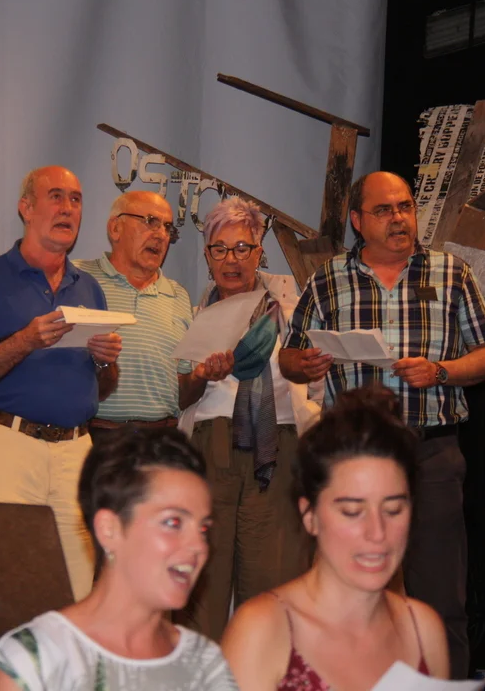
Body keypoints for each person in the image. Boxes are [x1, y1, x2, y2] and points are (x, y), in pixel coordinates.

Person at [279, 171, 485, 678]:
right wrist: (304, 364)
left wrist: (441, 371)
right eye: (384, 210)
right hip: (354, 459)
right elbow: (290, 354)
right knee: (352, 595)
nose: (399, 218)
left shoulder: (451, 273)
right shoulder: (328, 278)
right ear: (357, 221)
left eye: (404, 207)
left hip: (432, 454)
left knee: (441, 601)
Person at [0, 166, 122, 601]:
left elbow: (101, 389)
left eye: (76, 199)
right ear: (26, 208)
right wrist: (26, 340)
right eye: (56, 196)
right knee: (1, 585)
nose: (68, 208)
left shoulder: (90, 289)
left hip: (77, 451)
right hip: (9, 445)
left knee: (77, 590)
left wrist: (105, 362)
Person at [221, 386, 450, 689]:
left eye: (393, 510)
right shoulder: (262, 632)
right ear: (310, 515)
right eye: (352, 512)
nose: (377, 532)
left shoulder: (423, 630)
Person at [0, 427, 238, 690]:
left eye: (203, 529)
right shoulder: (37, 661)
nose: (198, 546)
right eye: (173, 522)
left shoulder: (204, 663)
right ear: (109, 529)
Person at [174, 196, 322, 641]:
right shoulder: (192, 315)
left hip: (274, 449)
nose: (231, 259)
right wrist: (201, 374)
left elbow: (313, 384)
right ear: (207, 256)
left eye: (242, 248)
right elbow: (179, 397)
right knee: (202, 583)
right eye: (220, 249)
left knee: (271, 584)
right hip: (209, 448)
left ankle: (265, 669)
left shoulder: (289, 309)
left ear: (260, 252)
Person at [73, 191, 193, 440]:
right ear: (115, 228)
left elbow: (181, 389)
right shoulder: (77, 278)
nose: (161, 235)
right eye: (150, 221)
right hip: (95, 437)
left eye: (167, 227)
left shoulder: (178, 295)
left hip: (162, 439)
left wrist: (203, 375)